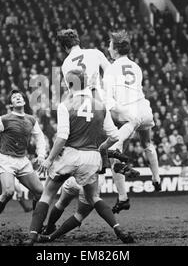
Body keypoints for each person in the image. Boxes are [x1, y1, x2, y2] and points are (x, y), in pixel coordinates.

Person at [24, 69, 134, 245]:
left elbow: (62, 138)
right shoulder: (100, 105)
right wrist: (102, 147)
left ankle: (32, 237)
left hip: (71, 155)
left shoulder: (65, 105)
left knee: (47, 195)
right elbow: (114, 136)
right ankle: (118, 229)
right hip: (92, 158)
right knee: (94, 198)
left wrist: (49, 159)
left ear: (69, 84)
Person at [101, 30, 161, 214]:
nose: (108, 48)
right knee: (147, 143)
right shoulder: (136, 66)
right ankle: (156, 178)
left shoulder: (111, 70)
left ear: (115, 49)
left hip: (129, 114)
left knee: (114, 152)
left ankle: (123, 196)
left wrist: (117, 112)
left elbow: (109, 101)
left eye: (110, 45)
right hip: (145, 109)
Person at [0, 89, 46, 240]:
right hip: (6, 160)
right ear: (11, 104)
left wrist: (41, 156)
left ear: (24, 101)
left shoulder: (31, 120)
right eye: (14, 97)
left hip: (23, 161)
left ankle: (35, 227)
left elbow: (40, 138)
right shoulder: (4, 119)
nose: (17, 98)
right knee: (9, 192)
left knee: (39, 191)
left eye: (20, 96)